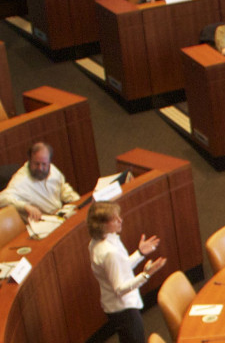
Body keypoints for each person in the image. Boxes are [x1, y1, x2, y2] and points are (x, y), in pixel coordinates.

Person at [87, 201, 166, 343]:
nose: (120, 220)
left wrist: (140, 253)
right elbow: (120, 289)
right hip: (123, 309)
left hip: (115, 306)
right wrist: (146, 275)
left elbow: (120, 267)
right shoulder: (109, 252)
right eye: (114, 219)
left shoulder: (99, 241)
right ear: (102, 225)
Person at [0, 142, 80, 221]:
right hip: (43, 222)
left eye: (44, 164)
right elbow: (2, 198)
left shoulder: (51, 168)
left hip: (60, 215)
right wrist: (25, 206)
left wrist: (76, 200)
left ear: (49, 162)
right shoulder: (21, 180)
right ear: (30, 160)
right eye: (36, 164)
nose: (40, 168)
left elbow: (62, 186)